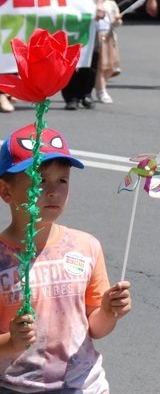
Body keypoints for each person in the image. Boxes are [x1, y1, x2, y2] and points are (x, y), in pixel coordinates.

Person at [0, 124, 132, 392]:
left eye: (62, 180)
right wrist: (11, 342)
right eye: (40, 180)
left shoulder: (85, 246)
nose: (53, 191)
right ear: (6, 192)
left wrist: (108, 311)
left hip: (83, 385)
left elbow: (95, 328)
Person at [95, 0, 122, 104]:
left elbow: (118, 23)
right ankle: (102, 91)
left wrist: (116, 20)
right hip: (97, 37)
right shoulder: (93, 4)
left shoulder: (111, 4)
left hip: (110, 38)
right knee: (100, 67)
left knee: (111, 67)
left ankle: (99, 84)